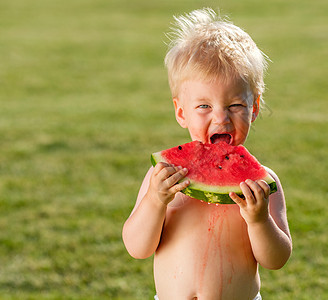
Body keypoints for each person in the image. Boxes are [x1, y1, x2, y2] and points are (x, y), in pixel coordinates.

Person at [122, 8, 292, 300]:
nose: (221, 119)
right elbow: (137, 248)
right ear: (181, 111)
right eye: (204, 106)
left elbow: (276, 259)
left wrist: (259, 219)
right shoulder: (162, 178)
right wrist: (154, 201)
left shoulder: (261, 185)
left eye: (235, 105)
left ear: (254, 108)